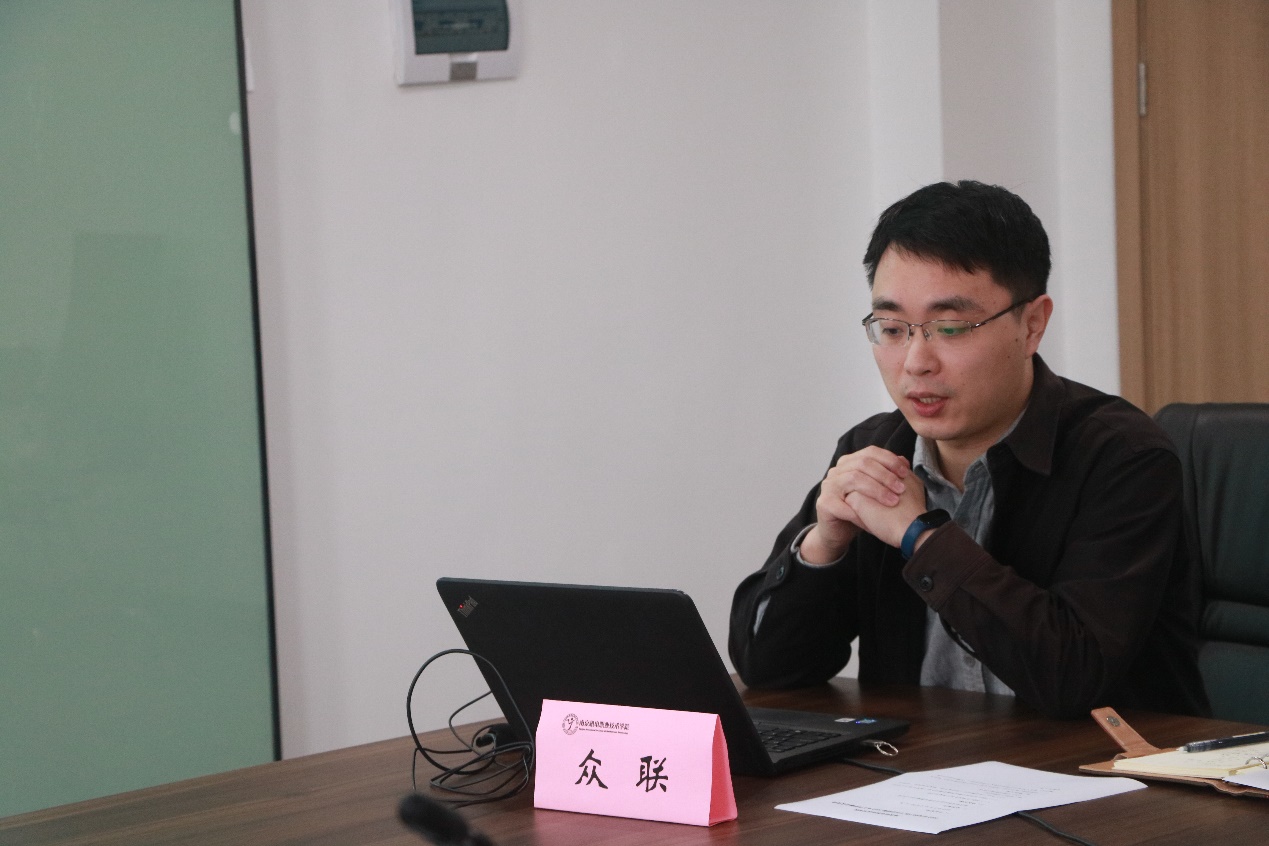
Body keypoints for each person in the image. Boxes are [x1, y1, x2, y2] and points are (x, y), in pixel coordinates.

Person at [728, 180, 1208, 718]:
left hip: (1100, 764)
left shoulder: (1123, 457)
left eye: (951, 328)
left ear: (1032, 325)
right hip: (921, 762)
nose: (916, 362)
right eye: (892, 329)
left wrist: (920, 536)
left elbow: (1073, 676)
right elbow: (767, 669)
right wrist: (824, 545)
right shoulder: (874, 449)